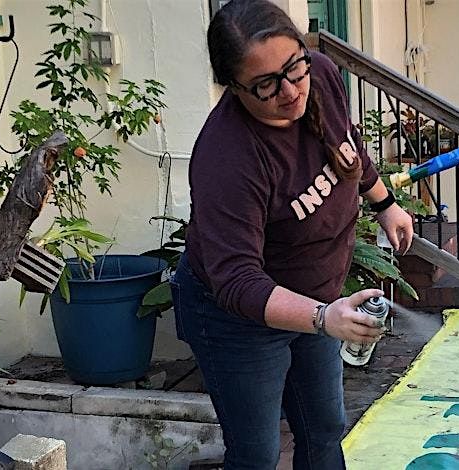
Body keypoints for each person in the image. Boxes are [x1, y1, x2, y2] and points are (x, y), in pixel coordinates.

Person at [170, 1, 415, 469]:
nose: (290, 92)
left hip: (317, 299)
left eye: (294, 67)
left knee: (324, 429)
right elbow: (237, 280)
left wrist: (384, 203)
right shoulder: (229, 157)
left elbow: (348, 144)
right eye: (266, 84)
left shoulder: (317, 74)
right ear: (234, 88)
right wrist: (323, 317)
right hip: (236, 318)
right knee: (258, 454)